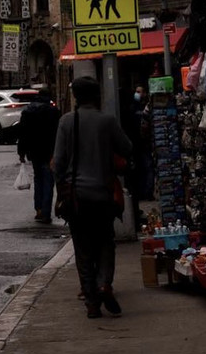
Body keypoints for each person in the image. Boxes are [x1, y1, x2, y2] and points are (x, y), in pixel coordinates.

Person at [53, 75, 132, 319]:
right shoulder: (107, 121)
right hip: (103, 194)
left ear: (76, 97)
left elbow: (58, 163)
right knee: (106, 243)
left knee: (83, 248)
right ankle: (104, 284)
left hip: (77, 197)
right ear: (96, 96)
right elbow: (127, 149)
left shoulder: (67, 122)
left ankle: (91, 302)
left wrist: (61, 191)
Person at [16, 88, 61, 223]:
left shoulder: (28, 111)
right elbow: (57, 134)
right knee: (48, 181)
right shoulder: (53, 112)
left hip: (34, 152)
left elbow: (22, 133)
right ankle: (46, 212)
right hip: (49, 151)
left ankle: (39, 209)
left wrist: (21, 152)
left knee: (38, 179)